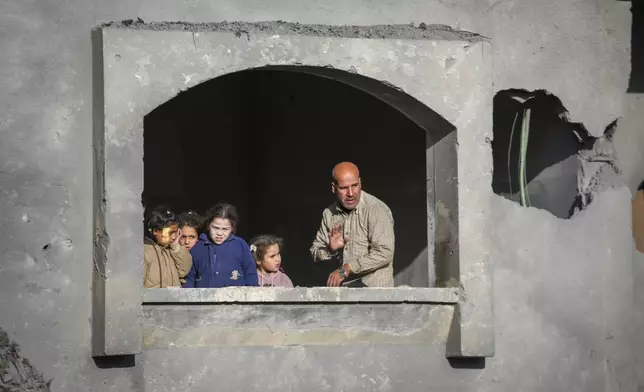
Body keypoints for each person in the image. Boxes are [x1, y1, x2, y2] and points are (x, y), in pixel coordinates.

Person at [310, 162, 395, 287]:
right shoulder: (329, 214)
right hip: (344, 296)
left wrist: (347, 269)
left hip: (375, 296)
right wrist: (330, 249)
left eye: (354, 185)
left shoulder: (375, 209)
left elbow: (385, 252)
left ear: (360, 183)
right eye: (344, 188)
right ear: (333, 188)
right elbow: (315, 253)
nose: (350, 193)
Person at [183, 203, 258, 288]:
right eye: (215, 227)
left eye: (225, 229)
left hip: (235, 299)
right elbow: (190, 279)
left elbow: (251, 276)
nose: (219, 233)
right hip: (204, 299)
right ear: (208, 225)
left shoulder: (240, 246)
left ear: (232, 228)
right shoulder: (198, 247)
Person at [143, 205, 193, 288]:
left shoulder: (172, 249)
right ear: (155, 231)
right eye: (170, 233)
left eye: (176, 232)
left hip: (173, 299)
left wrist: (176, 247)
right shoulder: (143, 252)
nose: (174, 237)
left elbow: (184, 270)